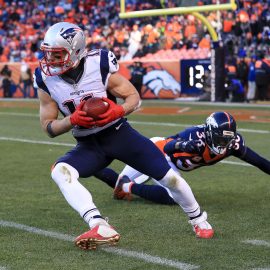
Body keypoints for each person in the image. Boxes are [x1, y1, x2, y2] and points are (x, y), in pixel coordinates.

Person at [33, 22, 213, 250]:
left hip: (119, 134)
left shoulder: (98, 63)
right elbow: (48, 127)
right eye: (48, 54)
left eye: (57, 55)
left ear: (76, 51)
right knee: (60, 171)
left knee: (169, 178)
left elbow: (133, 97)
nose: (50, 61)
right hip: (89, 144)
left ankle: (198, 219)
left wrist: (118, 110)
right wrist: (72, 120)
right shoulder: (44, 78)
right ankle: (99, 224)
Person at [94, 111, 270, 205]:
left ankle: (127, 186)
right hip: (155, 151)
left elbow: (259, 161)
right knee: (173, 196)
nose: (223, 144)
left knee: (173, 195)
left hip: (174, 167)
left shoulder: (233, 145)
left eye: (227, 139)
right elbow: (167, 145)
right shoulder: (194, 135)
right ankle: (90, 166)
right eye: (220, 139)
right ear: (209, 133)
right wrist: (183, 145)